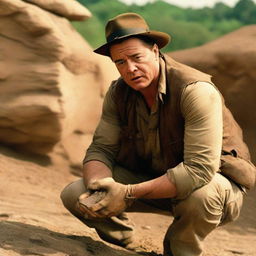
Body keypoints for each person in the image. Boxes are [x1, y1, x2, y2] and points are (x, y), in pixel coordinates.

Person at [61, 13, 255, 256]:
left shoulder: (196, 91)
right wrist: (104, 186)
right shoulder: (118, 93)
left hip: (209, 187)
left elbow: (199, 170)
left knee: (202, 196)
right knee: (76, 194)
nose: (130, 69)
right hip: (152, 179)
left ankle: (179, 251)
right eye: (120, 62)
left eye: (136, 57)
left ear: (155, 51)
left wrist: (128, 193)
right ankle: (130, 244)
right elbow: (101, 149)